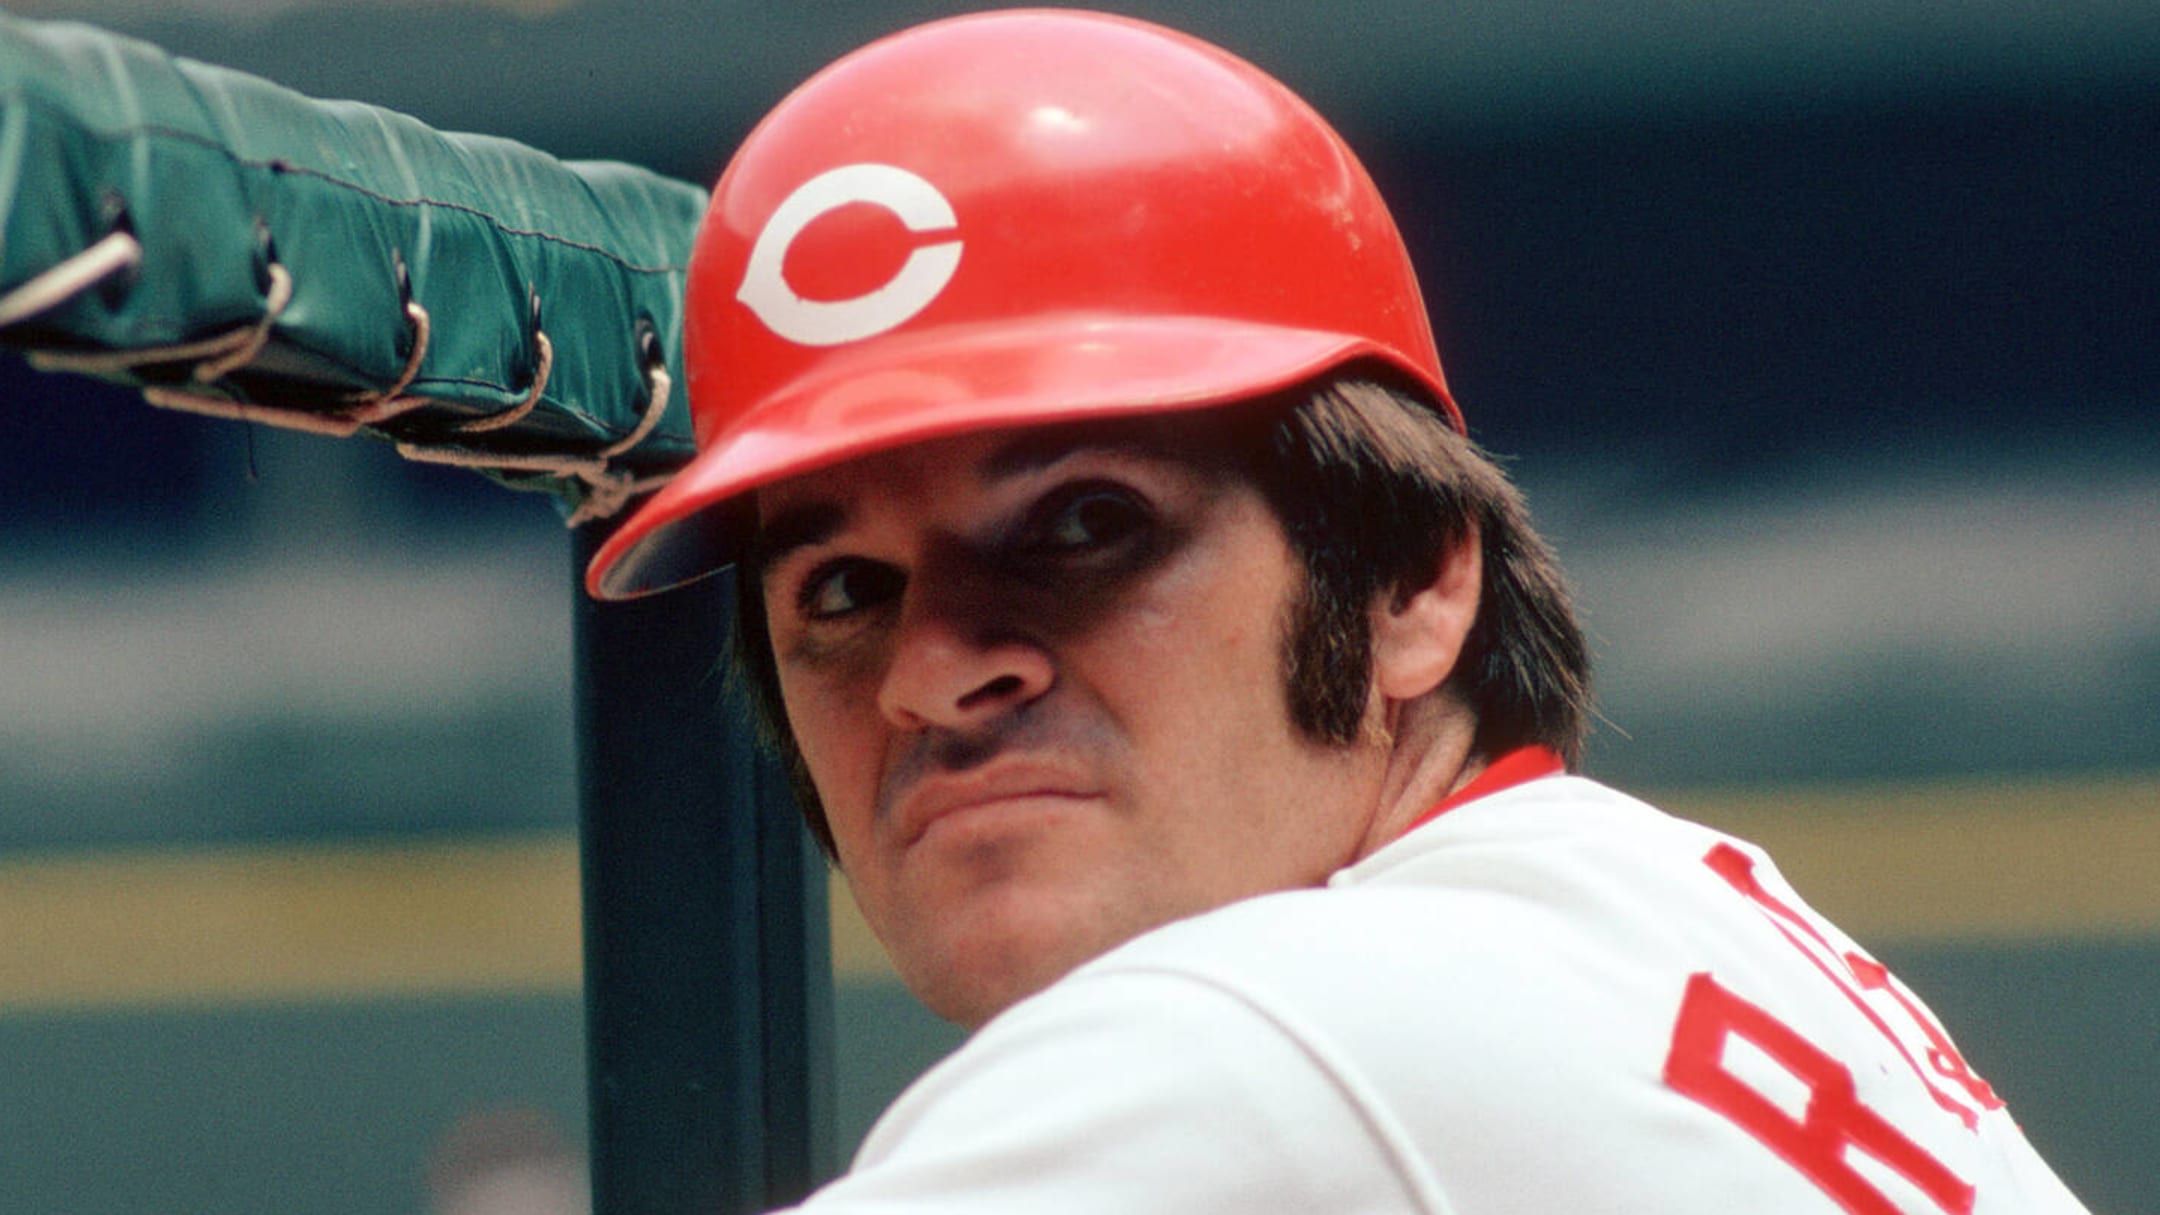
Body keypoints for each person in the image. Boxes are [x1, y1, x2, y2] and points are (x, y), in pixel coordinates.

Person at [586, 10, 2091, 1212]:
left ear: (1415, 585)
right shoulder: (1650, 922)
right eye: (840, 591)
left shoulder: (1273, 1034)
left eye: (1087, 525)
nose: (933, 670)